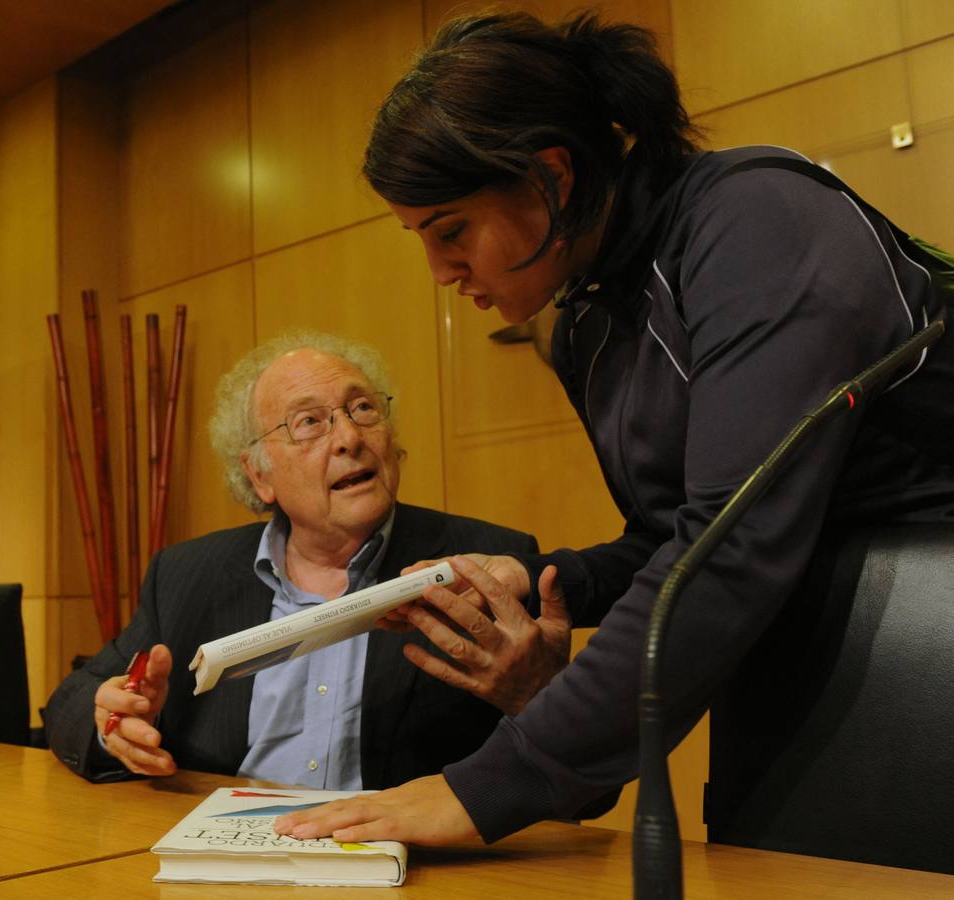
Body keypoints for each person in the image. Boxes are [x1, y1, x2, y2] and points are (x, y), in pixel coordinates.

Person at [274, 12, 954, 846]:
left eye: (450, 230)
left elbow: (728, 546)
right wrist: (539, 578)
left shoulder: (756, 219)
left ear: (551, 176)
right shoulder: (586, 327)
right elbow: (667, 535)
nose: (441, 271)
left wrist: (487, 787)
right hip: (804, 673)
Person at [43, 331, 561, 790]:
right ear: (259, 474)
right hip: (225, 855)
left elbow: (582, 777)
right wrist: (114, 725)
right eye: (309, 422)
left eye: (362, 409)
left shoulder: (487, 565)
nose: (350, 438)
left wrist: (537, 699)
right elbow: (74, 699)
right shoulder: (186, 574)